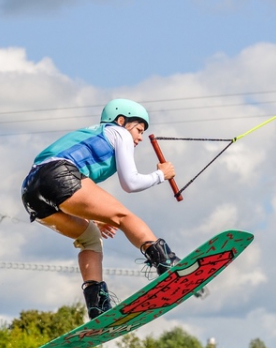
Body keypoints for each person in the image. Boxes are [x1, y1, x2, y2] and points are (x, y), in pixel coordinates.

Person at [21, 98, 182, 319]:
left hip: (30, 190)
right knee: (123, 217)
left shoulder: (94, 135)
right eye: (139, 129)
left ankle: (97, 305)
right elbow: (130, 183)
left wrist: (95, 218)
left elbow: (68, 190)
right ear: (121, 120)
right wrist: (161, 175)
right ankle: (166, 263)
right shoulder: (119, 132)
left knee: (90, 239)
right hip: (60, 173)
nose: (140, 137)